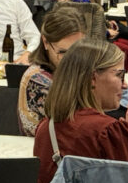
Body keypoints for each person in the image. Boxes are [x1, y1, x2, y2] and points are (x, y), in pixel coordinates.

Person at [33, 39, 128, 183]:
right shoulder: (107, 131)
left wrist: (127, 138)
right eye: (119, 75)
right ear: (92, 78)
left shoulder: (45, 127)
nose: (125, 85)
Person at [17, 8, 85, 136]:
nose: (71, 59)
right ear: (45, 42)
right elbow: (69, 129)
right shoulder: (37, 79)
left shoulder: (76, 69)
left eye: (78, 50)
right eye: (63, 52)